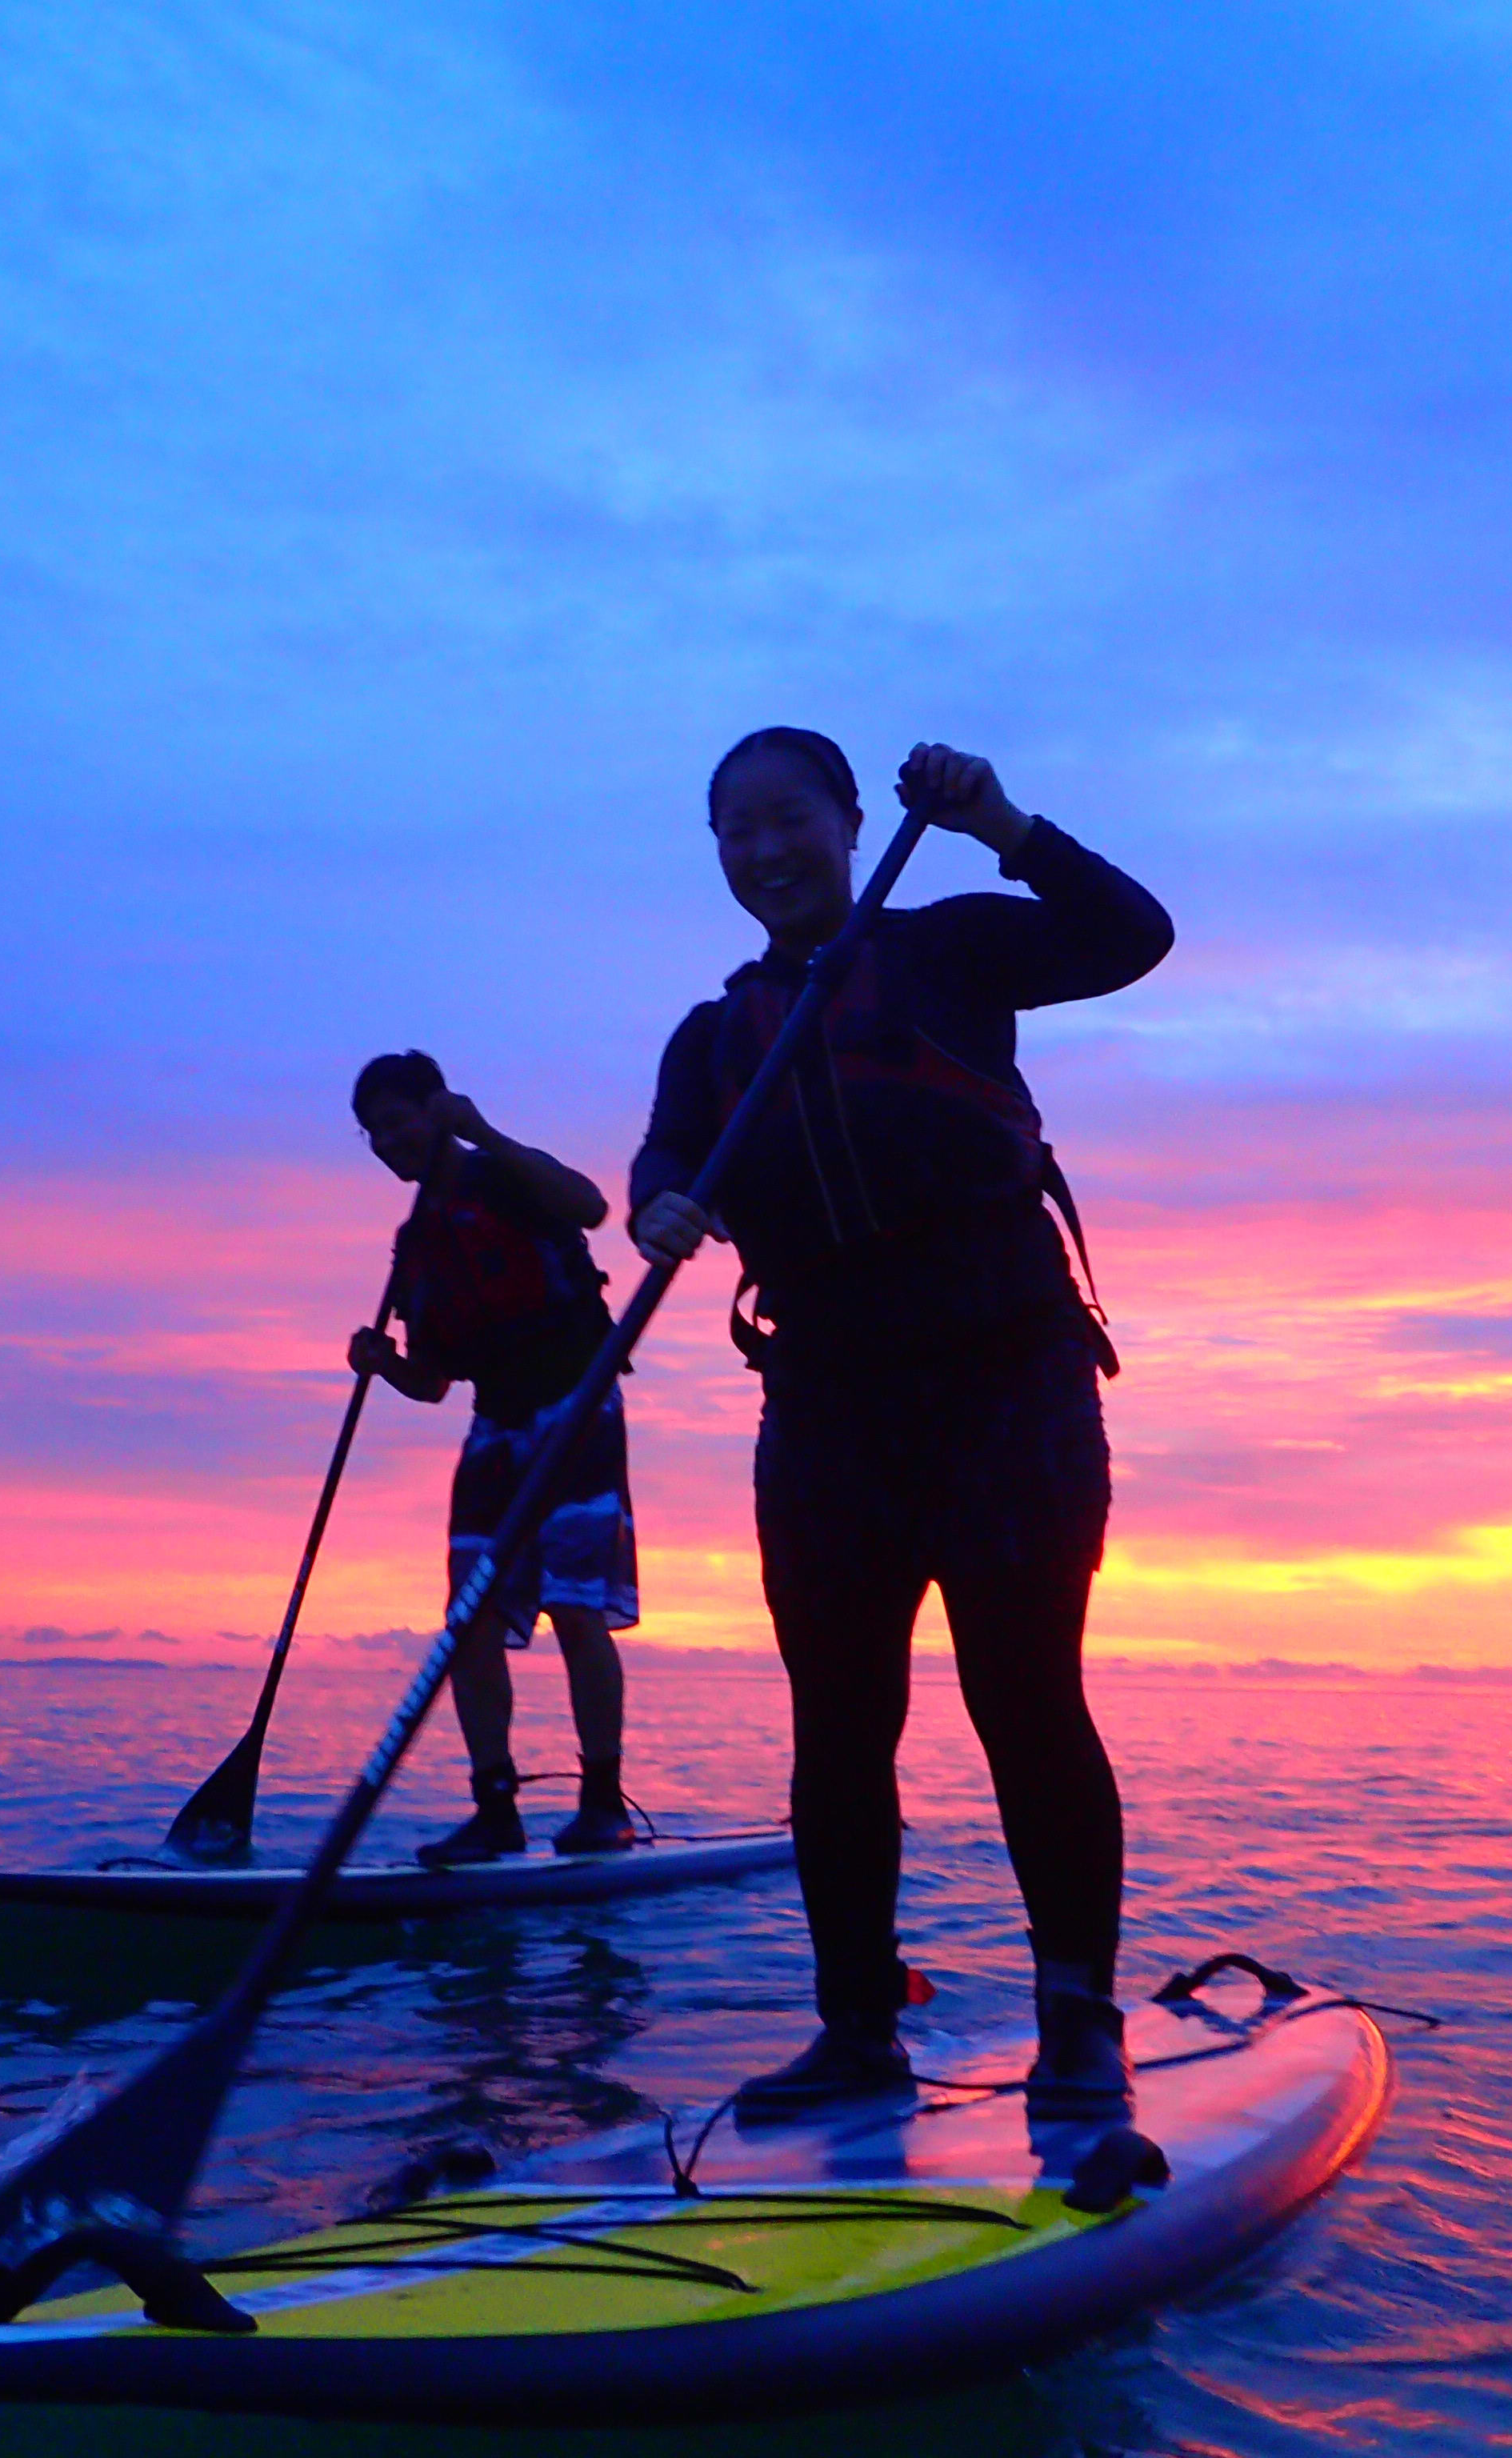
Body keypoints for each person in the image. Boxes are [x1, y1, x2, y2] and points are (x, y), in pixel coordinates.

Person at [627, 730, 1174, 2151]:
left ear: (850, 821)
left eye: (788, 819)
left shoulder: (951, 949)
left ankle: (1078, 2022)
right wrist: (661, 1208)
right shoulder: (714, 1035)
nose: (763, 852)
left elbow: (1131, 936)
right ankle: (860, 2030)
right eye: (732, 831)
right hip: (826, 1406)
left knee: (1023, 1697)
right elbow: (666, 1155)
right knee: (838, 1724)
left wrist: (1006, 820)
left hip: (1009, 1385)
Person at [347, 1052, 641, 1864]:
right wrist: (382, 1364)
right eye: (372, 1132)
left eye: (399, 1120)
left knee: (576, 1607)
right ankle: (495, 1808)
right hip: (494, 1424)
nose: (387, 1141)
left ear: (436, 1110)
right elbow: (434, 1383)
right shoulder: (414, 1243)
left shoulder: (502, 1176)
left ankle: (602, 1804)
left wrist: (480, 1129)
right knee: (467, 1620)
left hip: (574, 1405)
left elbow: (588, 1206)